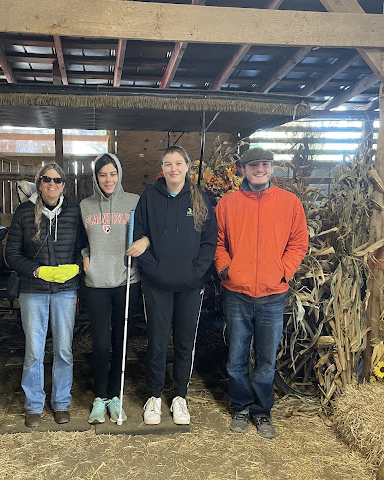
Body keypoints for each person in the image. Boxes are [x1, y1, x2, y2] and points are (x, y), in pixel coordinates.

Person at [214, 147, 308, 438]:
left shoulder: (290, 203)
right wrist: (226, 269)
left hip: (272, 293)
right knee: (237, 356)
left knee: (266, 359)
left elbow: (299, 242)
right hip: (237, 292)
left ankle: (262, 412)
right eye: (254, 165)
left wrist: (283, 271)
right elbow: (217, 243)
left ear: (271, 169)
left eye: (265, 164)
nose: (260, 169)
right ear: (243, 169)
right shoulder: (227, 204)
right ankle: (241, 407)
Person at [127, 145, 217, 426]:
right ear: (162, 168)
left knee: (184, 342)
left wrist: (196, 273)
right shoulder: (149, 197)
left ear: (188, 166)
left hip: (191, 285)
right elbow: (139, 235)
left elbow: (209, 242)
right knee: (156, 340)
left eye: (178, 163)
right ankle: (153, 396)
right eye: (168, 164)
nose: (173, 169)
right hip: (157, 284)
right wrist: (153, 269)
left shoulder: (199, 197)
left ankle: (179, 396)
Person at [5, 163, 85, 428]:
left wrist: (75, 267)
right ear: (39, 183)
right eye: (47, 179)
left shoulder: (73, 212)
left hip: (64, 290)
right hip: (33, 291)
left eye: (58, 180)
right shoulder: (25, 212)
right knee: (34, 350)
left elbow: (82, 247)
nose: (52, 184)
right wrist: (37, 271)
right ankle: (33, 405)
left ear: (64, 184)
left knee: (63, 349)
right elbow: (12, 254)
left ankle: (61, 402)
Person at [79, 153, 142, 424]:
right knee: (101, 343)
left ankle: (116, 396)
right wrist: (85, 259)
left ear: (120, 174)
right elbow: (80, 239)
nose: (108, 179)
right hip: (96, 282)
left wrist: (144, 242)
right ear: (96, 177)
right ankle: (99, 397)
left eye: (112, 174)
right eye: (103, 174)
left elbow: (144, 233)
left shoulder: (133, 202)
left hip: (126, 280)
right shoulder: (85, 205)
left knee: (121, 342)